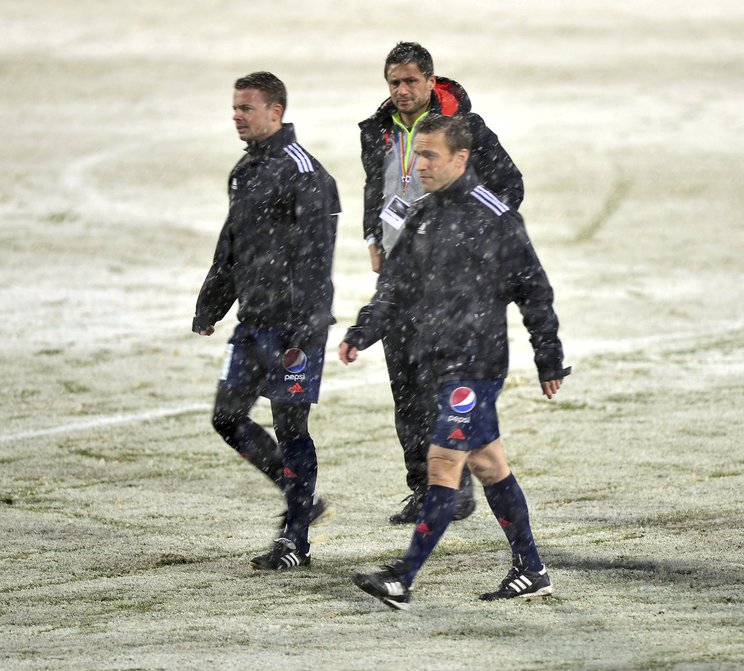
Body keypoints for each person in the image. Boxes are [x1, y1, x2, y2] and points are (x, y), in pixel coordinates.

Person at [339, 115, 569, 609]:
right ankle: (531, 569)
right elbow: (394, 289)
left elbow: (535, 290)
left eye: (429, 156)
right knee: (488, 465)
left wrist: (549, 358)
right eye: (417, 155)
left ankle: (403, 577)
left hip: (475, 366)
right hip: (438, 363)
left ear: (460, 158)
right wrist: (363, 331)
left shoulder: (494, 216)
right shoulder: (420, 215)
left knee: (442, 465)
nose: (418, 164)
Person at [359, 41, 525, 525]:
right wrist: (374, 234)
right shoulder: (378, 130)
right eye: (394, 82)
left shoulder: (466, 130)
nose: (402, 90)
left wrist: (469, 241)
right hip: (400, 275)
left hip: (449, 282)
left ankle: (460, 488)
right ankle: (427, 489)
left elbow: (510, 187)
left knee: (447, 385)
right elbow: (378, 185)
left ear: (432, 81)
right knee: (405, 386)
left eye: (411, 81)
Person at [193, 72, 340, 571]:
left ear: (275, 111)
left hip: (295, 327)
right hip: (254, 322)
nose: (236, 115)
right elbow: (231, 244)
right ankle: (300, 498)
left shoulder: (306, 174)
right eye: (235, 107)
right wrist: (211, 305)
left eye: (246, 108)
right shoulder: (244, 171)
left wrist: (308, 325)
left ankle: (295, 539)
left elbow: (317, 257)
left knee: (290, 424)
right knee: (226, 417)